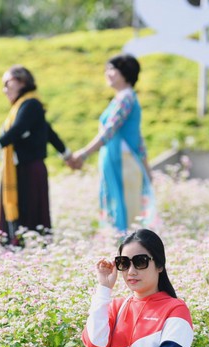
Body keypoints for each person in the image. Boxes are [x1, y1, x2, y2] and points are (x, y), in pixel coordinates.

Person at [0, 65, 74, 245]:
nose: (5, 89)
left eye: (7, 83)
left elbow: (17, 130)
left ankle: (26, 249)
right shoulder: (24, 106)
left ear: (22, 82)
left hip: (28, 169)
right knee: (24, 215)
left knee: (29, 214)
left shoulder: (31, 104)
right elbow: (49, 132)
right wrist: (67, 155)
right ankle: (17, 248)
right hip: (19, 169)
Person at [72, 54, 156, 233]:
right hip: (116, 159)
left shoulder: (126, 98)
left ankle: (124, 246)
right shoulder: (122, 98)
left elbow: (109, 131)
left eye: (112, 69)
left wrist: (84, 153)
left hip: (123, 162)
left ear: (125, 73)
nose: (108, 73)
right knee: (118, 206)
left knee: (124, 209)